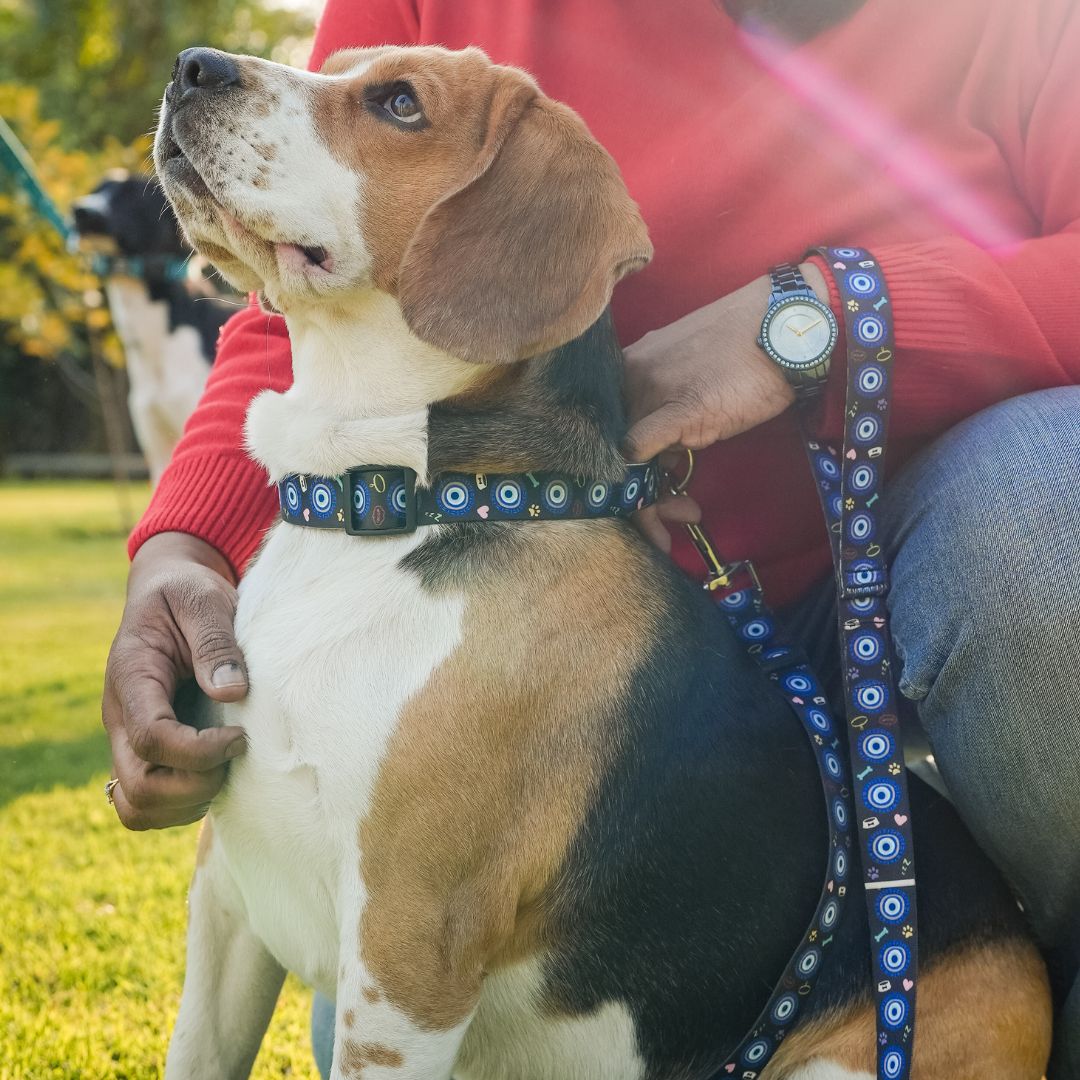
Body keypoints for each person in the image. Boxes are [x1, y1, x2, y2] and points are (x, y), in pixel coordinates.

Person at [101, 0, 1080, 1075]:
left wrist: (821, 323)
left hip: (898, 598)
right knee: (416, 955)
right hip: (563, 602)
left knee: (1051, 509)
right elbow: (303, 301)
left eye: (389, 101)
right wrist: (184, 545)